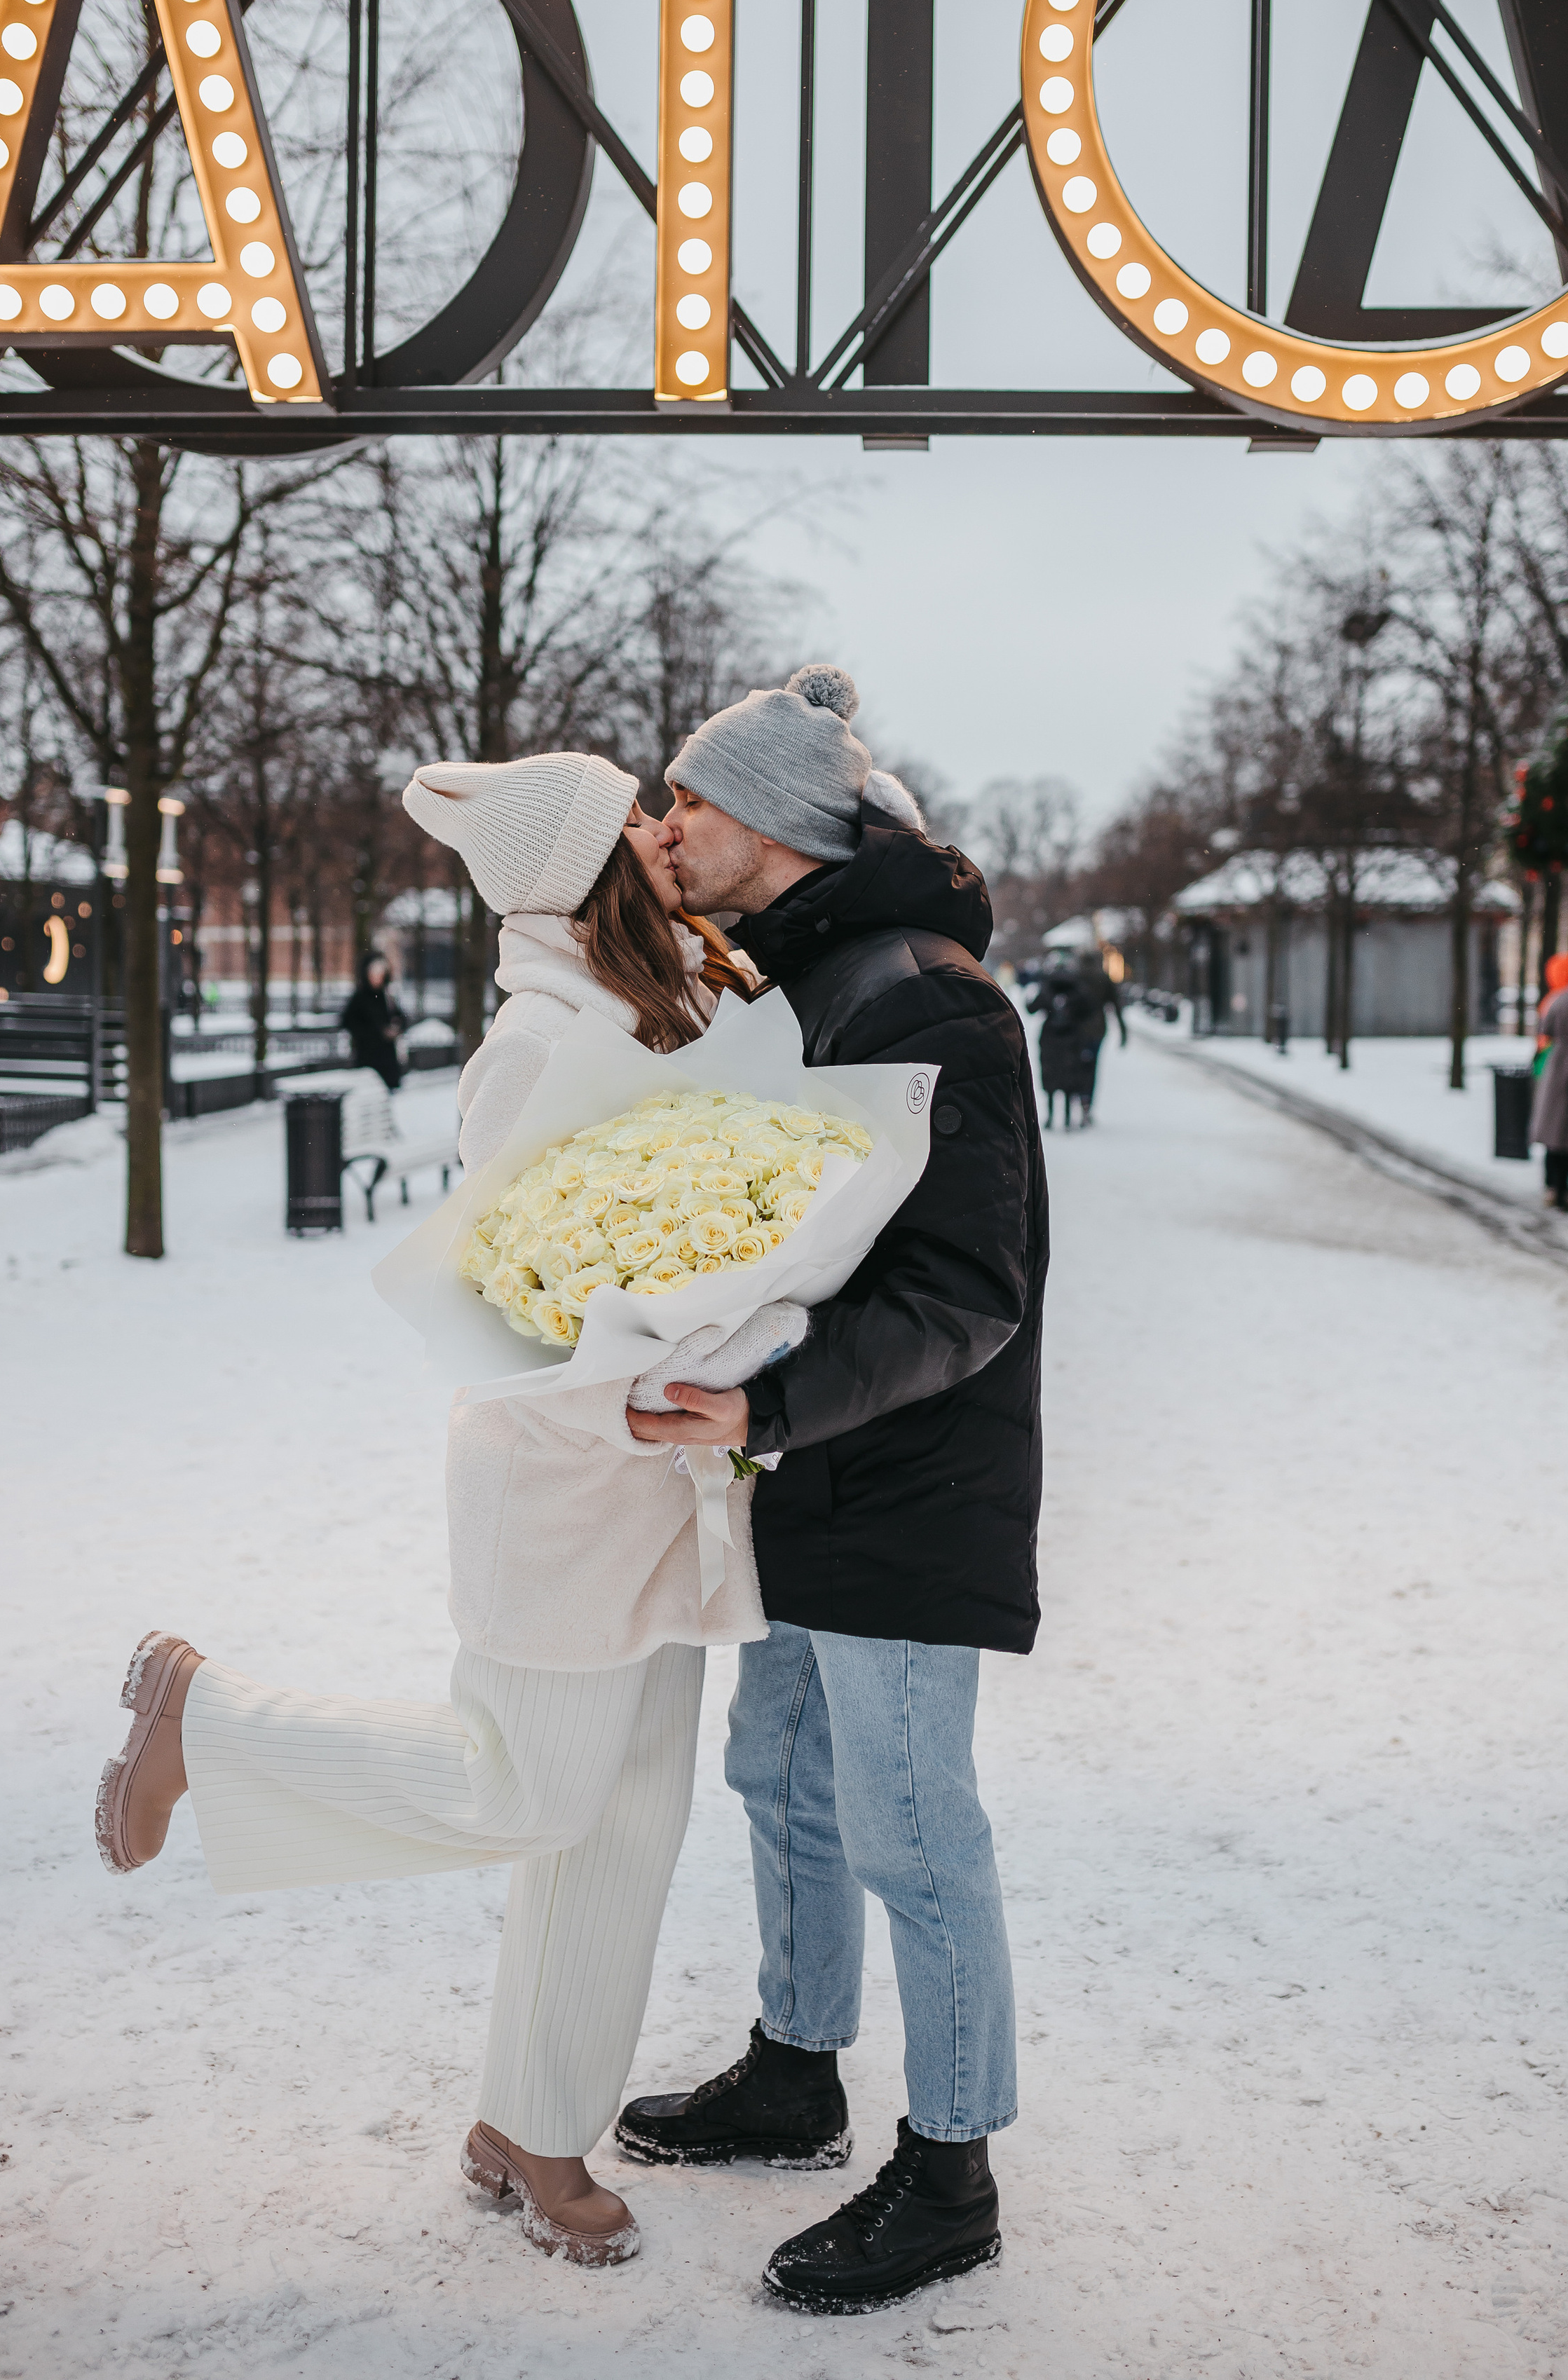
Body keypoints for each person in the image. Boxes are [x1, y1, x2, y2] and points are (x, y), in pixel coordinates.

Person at [94, 754, 770, 2271]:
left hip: (660, 1481)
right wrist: (646, 1389)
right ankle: (205, 1721)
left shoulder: (661, 1001)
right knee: (522, 1789)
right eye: (639, 828)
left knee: (626, 1824)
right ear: (585, 870)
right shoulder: (542, 1041)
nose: (669, 841)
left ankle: (530, 2125)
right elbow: (513, 1300)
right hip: (566, 1479)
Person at [622, 662, 1047, 2317]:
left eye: (686, 801)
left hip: (902, 1475)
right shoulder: (801, 980)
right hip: (800, 1462)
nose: (665, 824)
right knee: (780, 1770)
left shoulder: (927, 996)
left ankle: (950, 2167)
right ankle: (796, 2065)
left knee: (910, 1820)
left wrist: (773, 1395)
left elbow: (965, 1288)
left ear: (780, 825)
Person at [1528, 950, 1568, 1211]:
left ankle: (1556, 1187)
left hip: (1557, 1068)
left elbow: (1545, 1031)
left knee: (1556, 1135)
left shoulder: (1558, 1000)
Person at [1027, 952, 1111, 1127]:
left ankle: (1050, 1116)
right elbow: (1090, 1008)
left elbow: (1032, 1007)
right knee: (1071, 1075)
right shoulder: (1077, 987)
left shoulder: (1047, 986)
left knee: (1050, 1075)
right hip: (1072, 1037)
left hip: (1050, 1037)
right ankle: (1067, 1117)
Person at [339, 946, 406, 1089]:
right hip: (368, 1058)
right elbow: (348, 1023)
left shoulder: (387, 997)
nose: (377, 978)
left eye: (380, 974)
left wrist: (396, 1029)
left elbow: (401, 1018)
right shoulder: (359, 998)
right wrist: (378, 1033)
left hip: (387, 1060)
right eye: (374, 973)